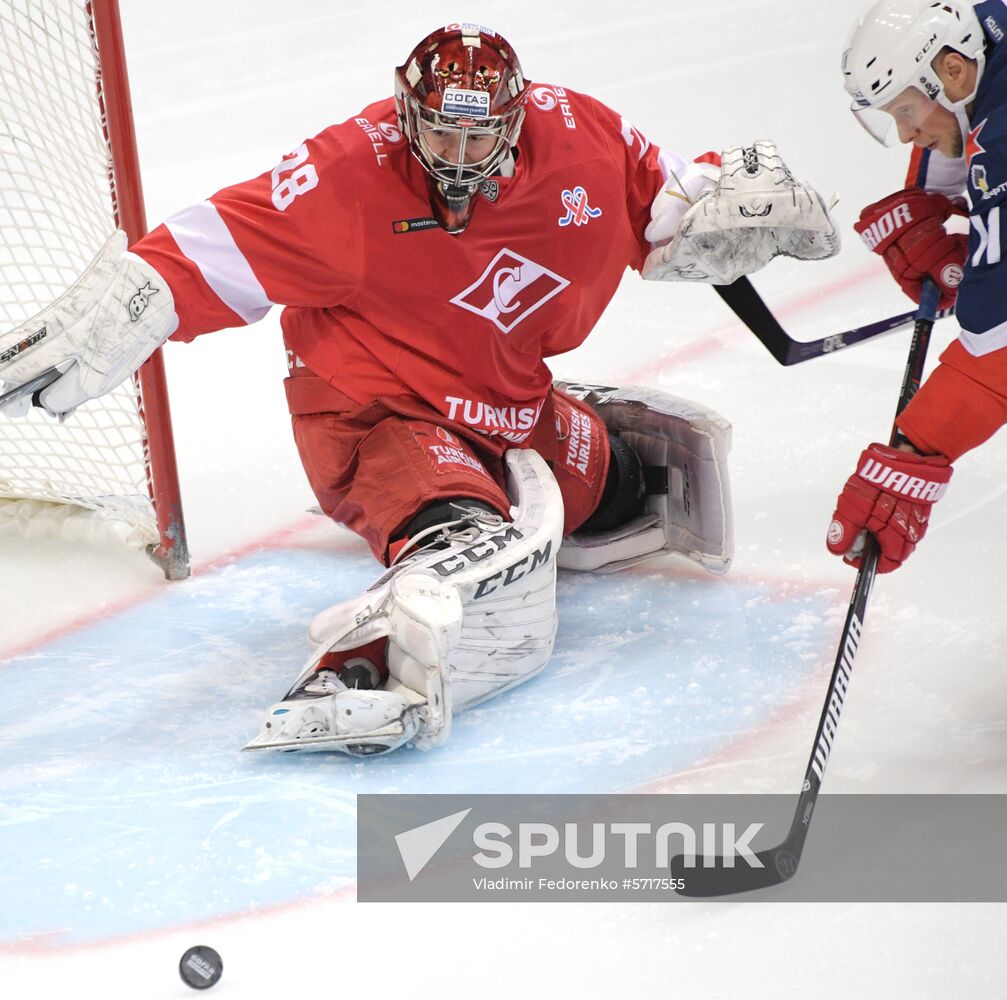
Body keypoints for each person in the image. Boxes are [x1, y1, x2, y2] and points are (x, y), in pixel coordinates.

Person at [0, 24, 837, 755]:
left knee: (618, 492)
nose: (459, 162)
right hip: (374, 408)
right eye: (439, 139)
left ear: (517, 118)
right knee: (461, 538)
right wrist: (135, 294)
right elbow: (206, 249)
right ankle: (370, 655)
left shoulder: (582, 137)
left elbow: (671, 203)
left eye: (479, 142)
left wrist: (724, 206)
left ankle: (553, 458)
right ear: (407, 119)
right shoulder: (345, 177)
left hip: (507, 396)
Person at [829, 0, 1007, 573]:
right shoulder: (984, 37)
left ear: (952, 72)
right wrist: (929, 200)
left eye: (908, 112)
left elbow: (996, 351)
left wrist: (914, 456)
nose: (908, 134)